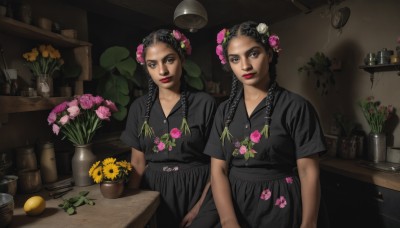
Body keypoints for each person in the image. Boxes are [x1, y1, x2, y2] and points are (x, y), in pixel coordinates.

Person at [200, 21, 327, 228]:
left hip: (279, 205)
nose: (245, 66)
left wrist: (309, 224)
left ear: (269, 54)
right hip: (231, 203)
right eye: (235, 59)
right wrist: (228, 220)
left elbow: (308, 172)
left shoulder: (296, 107)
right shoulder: (224, 111)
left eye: (253, 54)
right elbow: (218, 170)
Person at [120, 29, 217, 228]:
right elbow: (138, 163)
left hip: (198, 191)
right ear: (146, 68)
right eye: (152, 64)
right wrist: (130, 208)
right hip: (153, 192)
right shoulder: (139, 107)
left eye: (169, 60)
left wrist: (200, 207)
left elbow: (218, 164)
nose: (162, 71)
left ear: (181, 58)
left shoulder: (205, 103)